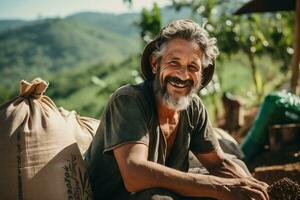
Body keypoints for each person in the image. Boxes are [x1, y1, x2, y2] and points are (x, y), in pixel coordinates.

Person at [84, 19, 269, 200]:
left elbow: (218, 163)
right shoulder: (129, 101)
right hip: (123, 194)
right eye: (174, 63)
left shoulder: (193, 108)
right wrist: (218, 186)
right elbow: (134, 175)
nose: (183, 75)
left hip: (163, 189)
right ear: (155, 64)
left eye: (192, 67)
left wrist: (251, 186)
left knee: (237, 167)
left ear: (201, 74)